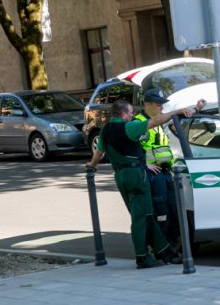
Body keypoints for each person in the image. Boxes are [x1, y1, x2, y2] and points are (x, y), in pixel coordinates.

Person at [86, 97, 202, 269]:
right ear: (124, 114)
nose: (133, 115)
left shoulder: (105, 130)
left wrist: (91, 166)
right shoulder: (129, 127)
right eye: (131, 112)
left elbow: (99, 153)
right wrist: (176, 112)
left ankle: (166, 252)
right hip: (136, 175)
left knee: (146, 215)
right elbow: (155, 121)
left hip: (120, 176)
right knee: (141, 218)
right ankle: (142, 257)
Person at [134, 89, 193, 246]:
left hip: (166, 173)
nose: (161, 107)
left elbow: (177, 119)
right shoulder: (139, 122)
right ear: (147, 105)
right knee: (161, 213)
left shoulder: (158, 121)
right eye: (158, 104)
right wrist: (145, 163)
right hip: (154, 175)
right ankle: (161, 249)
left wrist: (198, 107)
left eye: (162, 104)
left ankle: (172, 247)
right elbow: (132, 148)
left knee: (173, 211)